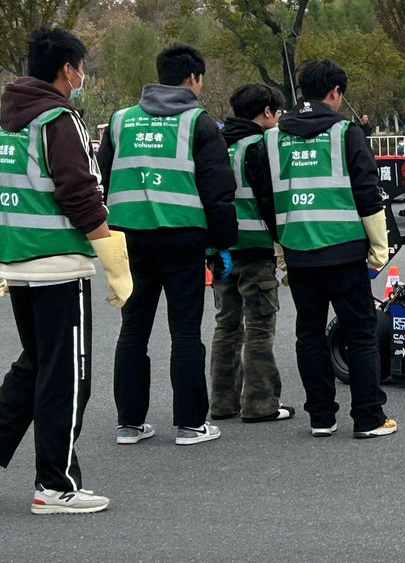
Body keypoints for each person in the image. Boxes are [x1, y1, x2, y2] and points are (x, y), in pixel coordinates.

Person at [0, 28, 133, 515]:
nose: (83, 76)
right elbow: (79, 193)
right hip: (59, 264)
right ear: (67, 69)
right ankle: (54, 485)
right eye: (81, 67)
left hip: (19, 263)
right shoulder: (58, 119)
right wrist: (113, 259)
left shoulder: (9, 120)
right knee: (67, 376)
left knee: (34, 365)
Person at [99, 43, 236, 447]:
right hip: (182, 240)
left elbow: (103, 177)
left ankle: (129, 423)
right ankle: (190, 424)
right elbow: (217, 193)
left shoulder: (121, 121)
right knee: (185, 333)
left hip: (130, 240)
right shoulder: (199, 123)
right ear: (193, 79)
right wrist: (222, 245)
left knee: (133, 330)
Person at [260, 59, 394, 439]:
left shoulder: (272, 139)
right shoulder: (346, 133)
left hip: (299, 252)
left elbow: (268, 200)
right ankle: (368, 417)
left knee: (310, 334)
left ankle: (321, 417)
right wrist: (379, 248)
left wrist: (281, 248)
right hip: (345, 251)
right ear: (335, 92)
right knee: (361, 333)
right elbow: (368, 195)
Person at [208, 84, 294, 424]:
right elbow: (270, 203)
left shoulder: (216, 144)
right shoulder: (258, 147)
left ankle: (223, 401)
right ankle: (260, 403)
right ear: (267, 112)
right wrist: (284, 245)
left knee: (226, 325)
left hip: (222, 251)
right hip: (256, 250)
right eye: (278, 112)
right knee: (259, 327)